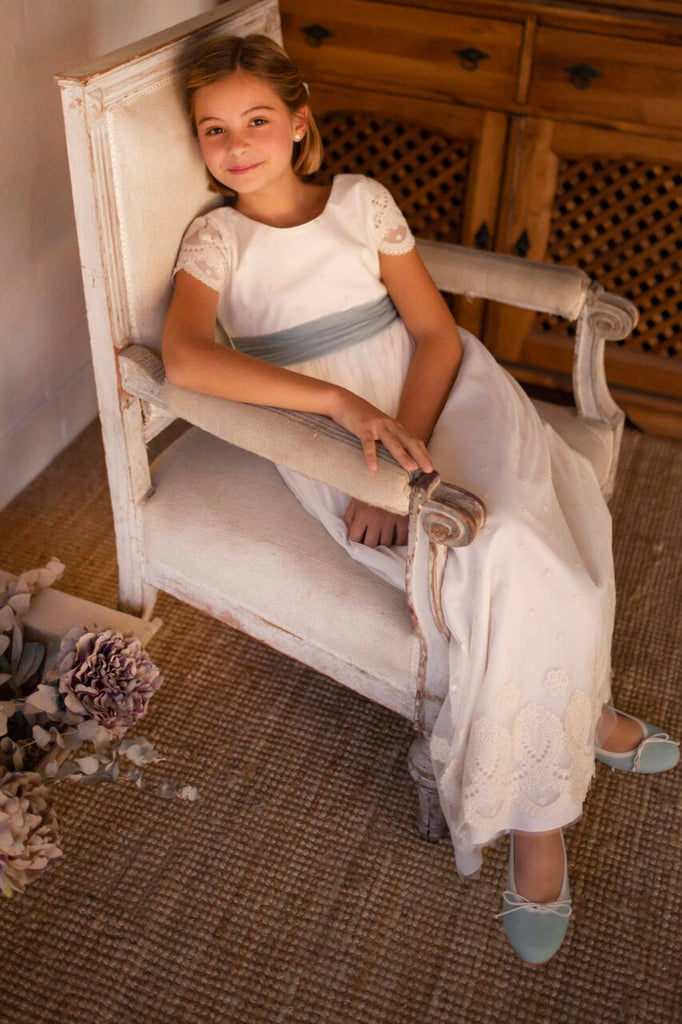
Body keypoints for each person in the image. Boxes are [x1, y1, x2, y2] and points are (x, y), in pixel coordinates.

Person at [162, 34, 679, 965]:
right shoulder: (218, 239)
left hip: (439, 396)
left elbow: (437, 335)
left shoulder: (361, 201)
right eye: (214, 129)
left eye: (257, 121)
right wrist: (349, 425)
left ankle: (568, 745)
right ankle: (550, 794)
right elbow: (188, 360)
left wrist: (409, 459)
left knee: (526, 536)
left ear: (299, 124)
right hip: (336, 434)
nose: (236, 146)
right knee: (495, 555)